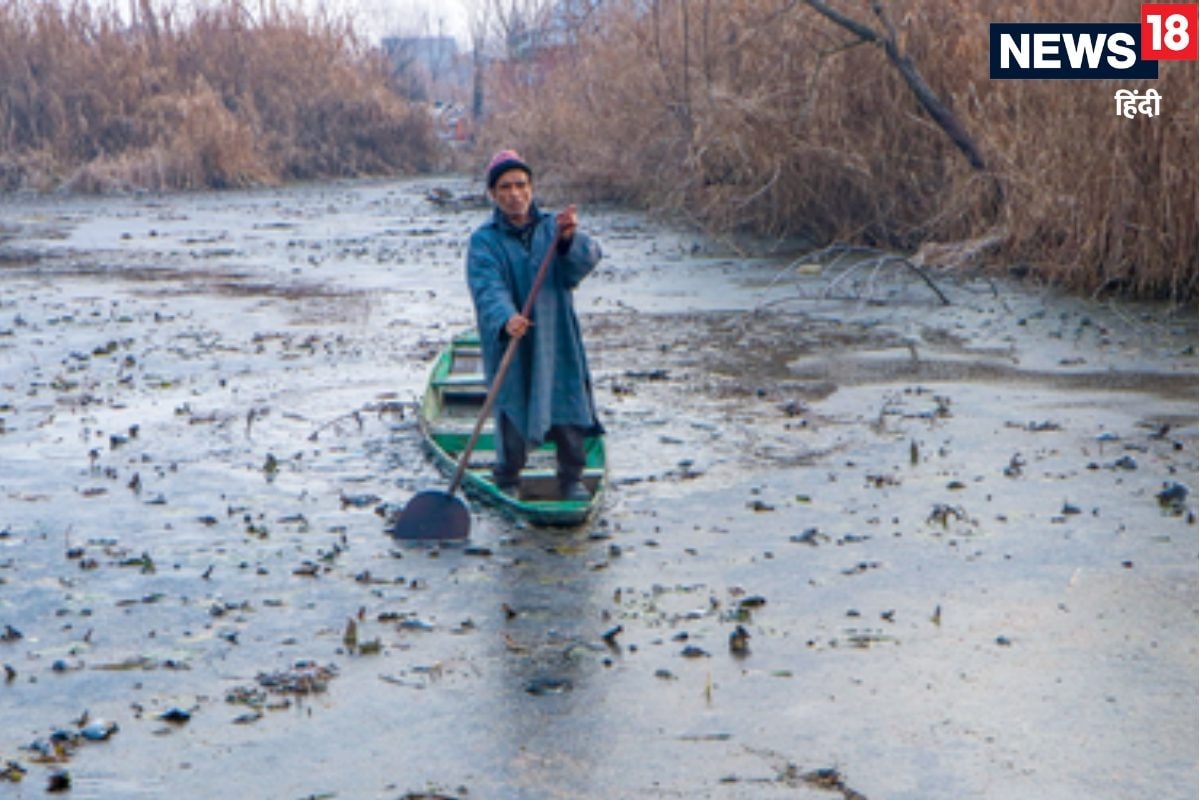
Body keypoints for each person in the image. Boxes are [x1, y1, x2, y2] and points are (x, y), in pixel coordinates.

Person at [465, 149, 604, 502]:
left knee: (567, 399)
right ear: (494, 194)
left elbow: (582, 265)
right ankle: (509, 477)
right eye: (506, 187)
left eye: (521, 185)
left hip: (555, 333)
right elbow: (486, 286)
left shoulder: (553, 229)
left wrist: (570, 240)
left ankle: (571, 477)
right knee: (512, 400)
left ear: (531, 188)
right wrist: (505, 317)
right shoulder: (485, 240)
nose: (515, 193)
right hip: (512, 336)